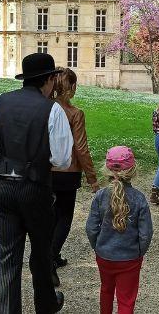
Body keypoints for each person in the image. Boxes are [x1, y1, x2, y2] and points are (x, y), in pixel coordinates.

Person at [0, 53, 70, 314]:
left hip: (4, 188)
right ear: (49, 79)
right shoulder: (53, 110)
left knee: (6, 258)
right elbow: (62, 159)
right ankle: (46, 306)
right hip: (35, 189)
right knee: (41, 253)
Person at [86, 146, 153, 314]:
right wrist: (138, 252)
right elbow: (146, 233)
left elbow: (91, 228)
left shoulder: (100, 196)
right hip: (129, 258)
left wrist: (98, 246)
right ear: (132, 170)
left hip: (105, 255)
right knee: (126, 299)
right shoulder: (138, 198)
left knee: (106, 291)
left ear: (107, 169)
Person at [50, 68, 99, 286]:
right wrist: (92, 177)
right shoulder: (74, 113)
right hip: (67, 172)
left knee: (50, 216)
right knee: (64, 218)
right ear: (71, 87)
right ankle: (49, 259)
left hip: (45, 169)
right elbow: (81, 147)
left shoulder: (46, 109)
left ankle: (52, 255)